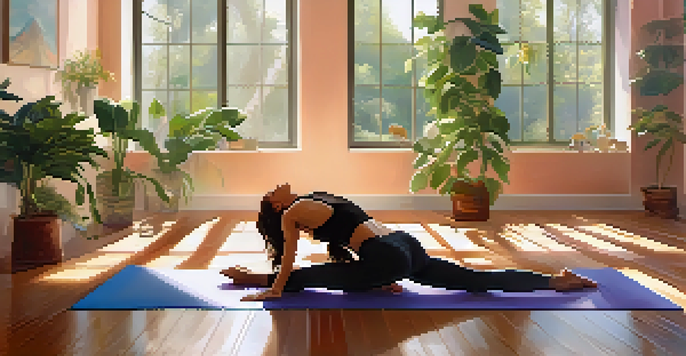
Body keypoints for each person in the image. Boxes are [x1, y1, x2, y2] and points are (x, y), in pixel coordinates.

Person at [221, 184, 598, 301]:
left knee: (305, 278)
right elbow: (293, 254)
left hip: (389, 257)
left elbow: (290, 261)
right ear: (276, 205)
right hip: (405, 246)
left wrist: (271, 290)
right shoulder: (307, 204)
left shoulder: (303, 206)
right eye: (271, 192)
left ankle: (251, 280)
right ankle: (553, 281)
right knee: (474, 280)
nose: (276, 187)